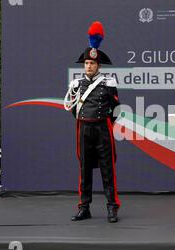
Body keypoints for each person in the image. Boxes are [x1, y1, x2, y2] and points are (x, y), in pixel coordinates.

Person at [64, 21, 120, 223]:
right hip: (83, 128)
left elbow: (117, 108)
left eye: (92, 64)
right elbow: (72, 108)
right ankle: (84, 207)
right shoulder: (76, 84)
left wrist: (106, 123)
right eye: (87, 63)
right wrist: (83, 119)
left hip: (102, 128)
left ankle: (112, 207)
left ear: (98, 65)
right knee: (84, 169)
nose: (89, 66)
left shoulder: (108, 83)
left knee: (108, 169)